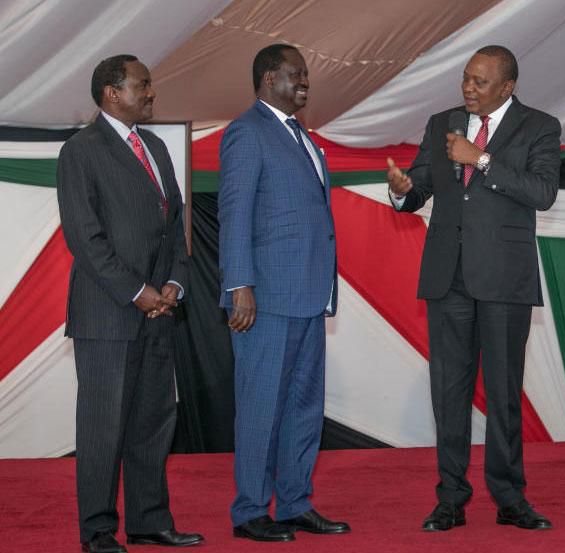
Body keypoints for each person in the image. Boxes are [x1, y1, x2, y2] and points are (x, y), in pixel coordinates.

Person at [387, 45, 560, 532]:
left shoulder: (540, 126)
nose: (468, 88)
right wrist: (402, 190)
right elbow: (421, 182)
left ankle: (509, 498)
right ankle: (450, 499)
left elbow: (542, 193)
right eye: (466, 78)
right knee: (449, 392)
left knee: (504, 392)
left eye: (480, 82)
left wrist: (481, 159)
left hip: (504, 278)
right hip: (449, 277)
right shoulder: (442, 120)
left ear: (507, 87)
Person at [56, 55, 203, 552]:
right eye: (143, 85)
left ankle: (148, 521)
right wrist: (138, 292)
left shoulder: (157, 148)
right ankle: (98, 532)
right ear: (111, 93)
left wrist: (173, 288)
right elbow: (85, 238)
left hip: (159, 311)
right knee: (102, 428)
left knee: (152, 424)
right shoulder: (82, 151)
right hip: (108, 315)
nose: (151, 93)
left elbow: (175, 228)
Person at [217, 44, 348, 542]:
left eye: (307, 75)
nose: (306, 83)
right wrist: (239, 286)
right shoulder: (247, 132)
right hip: (264, 300)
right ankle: (250, 510)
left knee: (303, 407)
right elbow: (235, 215)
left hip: (309, 296)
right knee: (260, 407)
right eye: (297, 75)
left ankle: (294, 503)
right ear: (270, 78)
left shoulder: (303, 139)